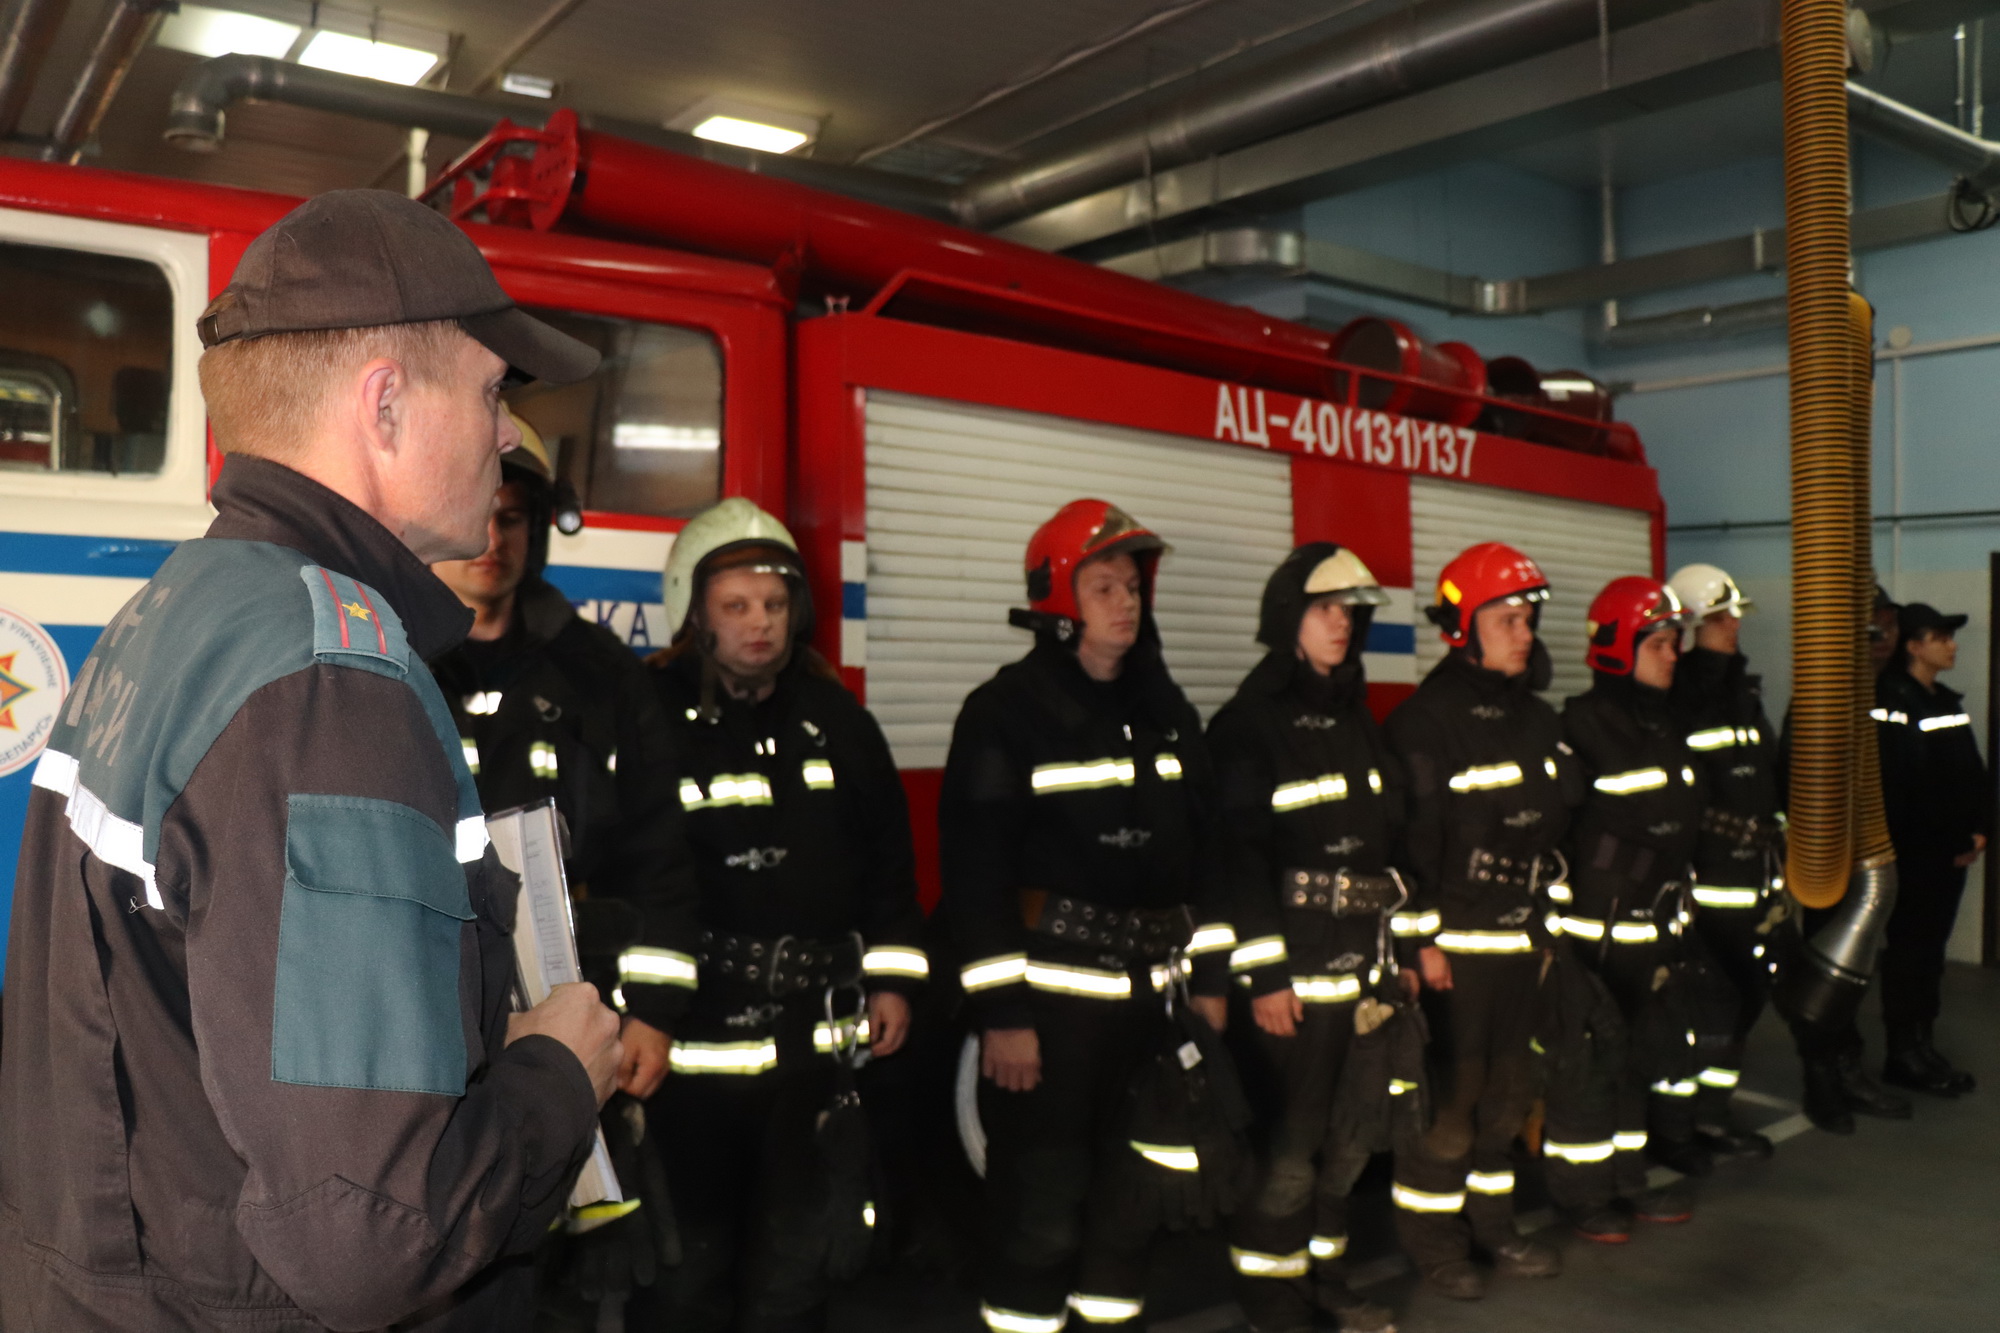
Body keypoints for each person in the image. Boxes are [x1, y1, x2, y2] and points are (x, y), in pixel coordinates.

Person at [0, 190, 621, 1330]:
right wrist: (558, 1076)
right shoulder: (331, 684)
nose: (506, 436)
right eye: (492, 392)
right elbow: (369, 1230)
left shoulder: (182, 608)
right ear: (385, 406)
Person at [940, 499, 1236, 1333]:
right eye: (1103, 585)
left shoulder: (1167, 713)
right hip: (1050, 1014)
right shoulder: (1005, 712)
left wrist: (1212, 980)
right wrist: (1003, 1016)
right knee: (1040, 1207)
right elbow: (975, 877)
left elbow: (1212, 858)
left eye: (1133, 586)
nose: (1125, 601)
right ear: (1057, 598)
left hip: (1152, 1007)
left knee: (1130, 1204)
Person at [430, 424, 702, 1323]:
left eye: (514, 518)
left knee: (581, 1277)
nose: (492, 539)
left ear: (538, 531)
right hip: (432, 1012)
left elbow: (661, 852)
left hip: (576, 1005)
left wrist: (653, 1012)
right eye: (480, 511)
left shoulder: (601, 675)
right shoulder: (389, 656)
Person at [640, 497, 928, 1331]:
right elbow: (633, 871)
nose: (759, 622)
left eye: (773, 603)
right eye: (735, 605)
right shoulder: (649, 717)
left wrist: (893, 980)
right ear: (694, 612)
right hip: (690, 1055)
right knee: (687, 1274)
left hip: (814, 1051)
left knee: (796, 1273)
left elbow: (890, 864)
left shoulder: (839, 721)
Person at [1206, 544, 1410, 1333]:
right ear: (1288, 617)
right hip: (1294, 977)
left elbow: (1389, 848)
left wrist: (1400, 954)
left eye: (1350, 612)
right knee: (1288, 1151)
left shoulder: (1359, 718)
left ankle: (1325, 1279)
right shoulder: (1248, 725)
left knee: (1347, 1143)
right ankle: (1272, 1299)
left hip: (1361, 973)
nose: (1341, 624)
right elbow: (1236, 860)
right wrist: (1264, 976)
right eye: (1325, 609)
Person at [1384, 542, 1573, 1299]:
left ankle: (1494, 1228)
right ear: (1463, 627)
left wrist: (1547, 926)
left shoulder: (1537, 718)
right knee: (1451, 1105)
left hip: (1521, 941)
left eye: (1528, 620)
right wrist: (1420, 942)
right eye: (1507, 620)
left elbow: (1555, 834)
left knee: (1508, 1097)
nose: (1524, 634)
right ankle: (1435, 1245)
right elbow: (1411, 844)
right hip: (1456, 951)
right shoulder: (1424, 723)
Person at [1547, 576, 1705, 1234]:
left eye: (1674, 643)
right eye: (1659, 644)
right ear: (1617, 647)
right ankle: (1583, 1196)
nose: (1673, 655)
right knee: (1590, 1063)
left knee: (1638, 1056)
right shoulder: (1582, 727)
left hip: (1654, 924)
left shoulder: (1663, 723)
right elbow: (1555, 835)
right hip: (1598, 929)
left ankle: (1628, 1180)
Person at [1665, 563, 1780, 1160]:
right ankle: (1681, 1124)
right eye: (1719, 616)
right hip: (1704, 885)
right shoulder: (1680, 698)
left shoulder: (1743, 694)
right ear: (1689, 626)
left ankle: (1712, 1111)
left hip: (1752, 878)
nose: (1733, 624)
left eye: (1734, 614)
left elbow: (1764, 777)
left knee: (1744, 997)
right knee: (1702, 1005)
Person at [1874, 602, 1990, 1097]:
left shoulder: (1943, 700)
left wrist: (1980, 829)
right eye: (1941, 638)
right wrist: (1955, 841)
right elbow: (1906, 788)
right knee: (1910, 953)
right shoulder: (1893, 702)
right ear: (1914, 647)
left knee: (1930, 954)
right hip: (1917, 855)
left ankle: (1921, 1044)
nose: (1952, 646)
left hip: (1950, 854)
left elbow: (1970, 774)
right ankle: (1903, 1053)